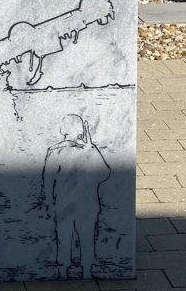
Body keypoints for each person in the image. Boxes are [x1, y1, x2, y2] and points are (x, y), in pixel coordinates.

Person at [42, 114, 111, 280]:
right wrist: (92, 149)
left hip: (64, 204)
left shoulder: (55, 151)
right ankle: (87, 272)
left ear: (63, 129)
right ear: (81, 130)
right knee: (87, 239)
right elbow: (105, 174)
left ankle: (63, 273)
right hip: (87, 204)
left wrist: (49, 203)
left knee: (64, 239)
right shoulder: (88, 150)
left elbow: (48, 181)